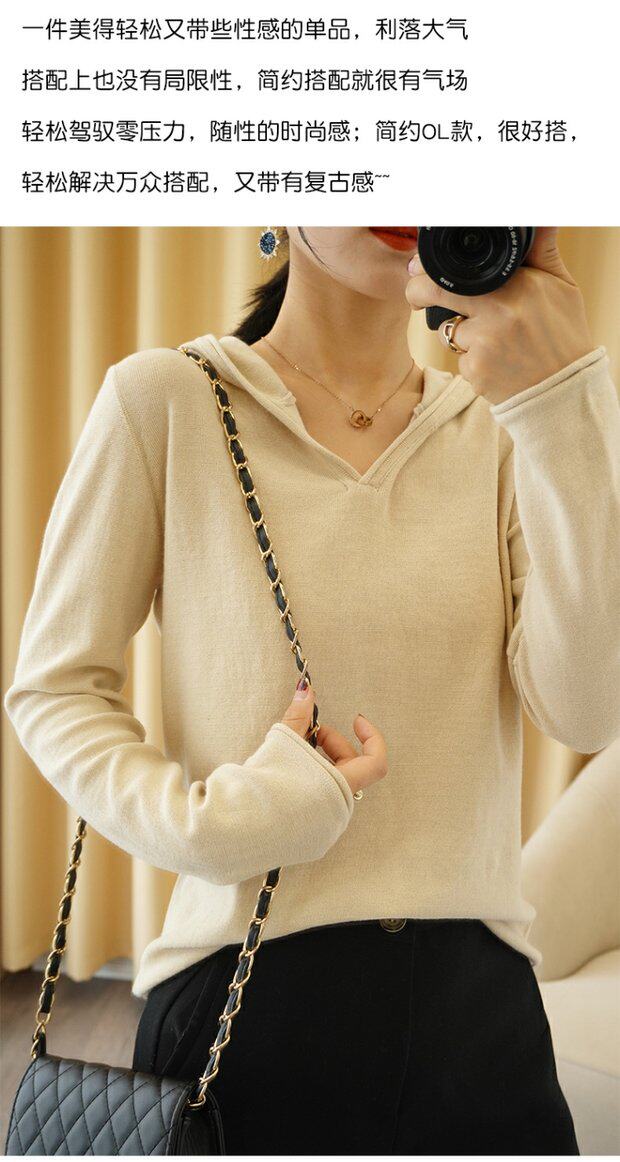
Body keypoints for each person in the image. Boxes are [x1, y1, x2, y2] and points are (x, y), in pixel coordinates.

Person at [5, 226, 620, 1155]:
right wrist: (210, 827)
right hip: (245, 1001)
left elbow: (588, 708)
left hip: (482, 1016)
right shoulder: (167, 399)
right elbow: (55, 689)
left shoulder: (501, 429)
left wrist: (562, 401)